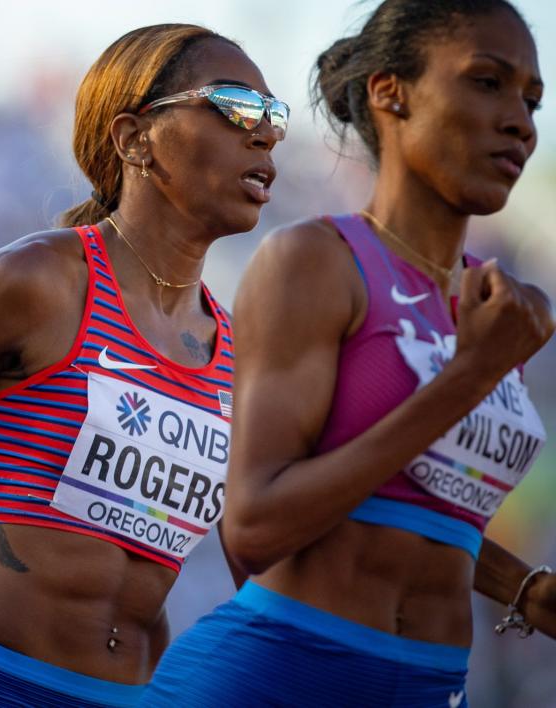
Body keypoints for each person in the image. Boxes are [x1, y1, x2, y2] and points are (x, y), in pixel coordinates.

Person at [0, 23, 287, 707]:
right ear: (135, 137)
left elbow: (153, 564)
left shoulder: (234, 349)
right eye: (236, 106)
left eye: (274, 114)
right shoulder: (33, 284)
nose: (266, 134)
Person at [143, 1, 556, 705]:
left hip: (429, 687)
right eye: (487, 82)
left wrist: (522, 587)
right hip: (270, 681)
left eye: (533, 97)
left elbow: (398, 510)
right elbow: (253, 528)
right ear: (390, 92)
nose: (521, 120)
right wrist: (471, 375)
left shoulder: (506, 312)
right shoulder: (316, 263)